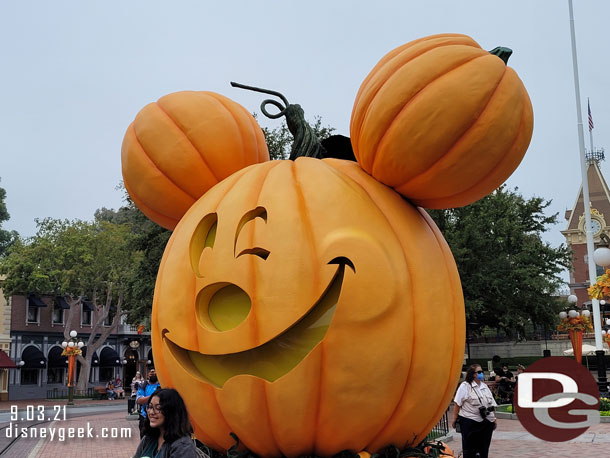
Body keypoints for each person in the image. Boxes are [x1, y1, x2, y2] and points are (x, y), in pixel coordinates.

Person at [132, 388, 198, 458]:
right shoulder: (148, 439)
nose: (151, 412)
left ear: (172, 412)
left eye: (158, 408)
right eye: (150, 407)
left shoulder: (183, 446)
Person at [452, 364, 497, 458]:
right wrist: (455, 418)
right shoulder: (465, 386)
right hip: (470, 421)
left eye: (482, 372)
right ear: (473, 374)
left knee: (484, 449)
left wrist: (494, 419)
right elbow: (457, 403)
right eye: (479, 372)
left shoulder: (484, 386)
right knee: (469, 449)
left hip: (486, 422)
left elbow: (491, 404)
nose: (482, 374)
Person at [137, 368, 161, 439]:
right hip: (145, 417)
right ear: (148, 376)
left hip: (159, 417)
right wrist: (153, 396)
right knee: (145, 439)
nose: (153, 374)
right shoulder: (143, 386)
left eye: (155, 373)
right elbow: (139, 400)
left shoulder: (161, 384)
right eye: (151, 373)